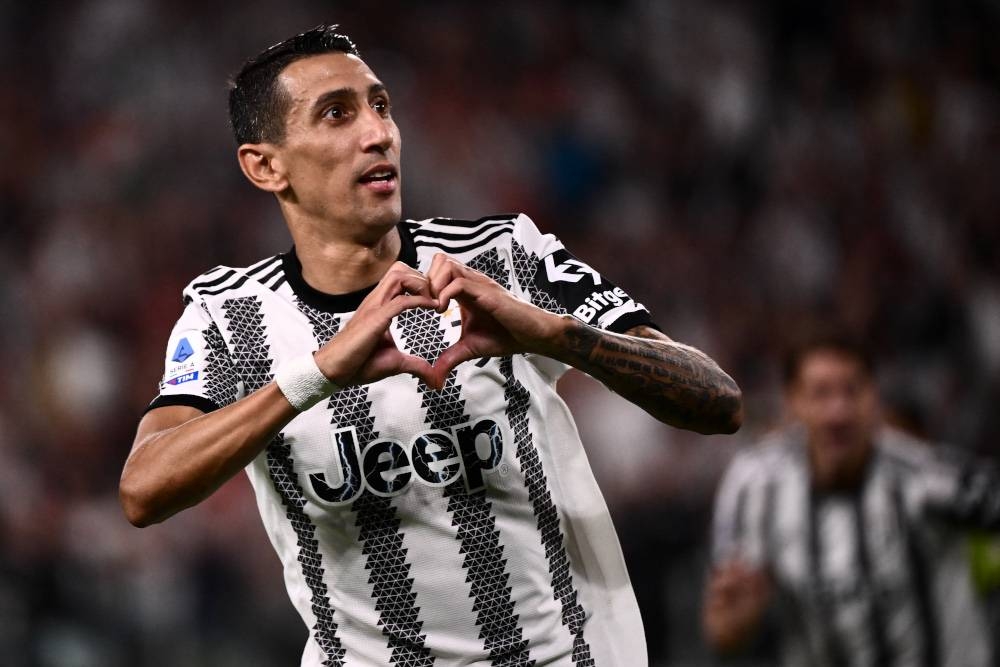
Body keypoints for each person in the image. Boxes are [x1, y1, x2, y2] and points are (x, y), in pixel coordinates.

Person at [119, 25, 743, 666]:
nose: (378, 132)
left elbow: (719, 401)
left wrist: (556, 334)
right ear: (265, 164)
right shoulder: (231, 315)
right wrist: (319, 374)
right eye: (337, 113)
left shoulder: (500, 256)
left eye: (381, 106)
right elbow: (144, 490)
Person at [703, 329, 999, 666]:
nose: (838, 411)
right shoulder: (754, 488)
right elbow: (723, 633)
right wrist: (737, 623)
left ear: (874, 397)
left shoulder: (929, 480)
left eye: (852, 390)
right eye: (821, 393)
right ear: (792, 402)